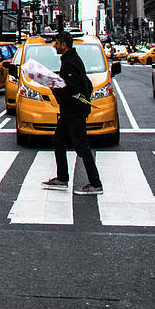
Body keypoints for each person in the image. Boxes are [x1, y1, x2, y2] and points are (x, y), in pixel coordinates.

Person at [42, 30, 102, 195]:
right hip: (70, 110)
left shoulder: (70, 62)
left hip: (74, 111)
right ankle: (62, 178)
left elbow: (72, 87)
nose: (54, 46)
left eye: (56, 43)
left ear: (63, 44)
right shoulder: (72, 60)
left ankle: (95, 183)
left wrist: (55, 87)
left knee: (81, 146)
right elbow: (85, 84)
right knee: (59, 141)